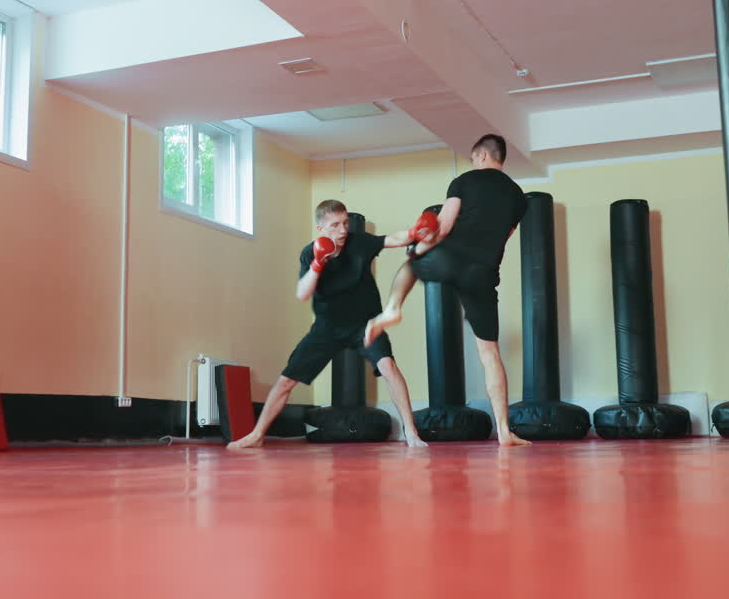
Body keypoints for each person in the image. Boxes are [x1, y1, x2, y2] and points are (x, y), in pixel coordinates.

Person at [227, 200, 439, 449]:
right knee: (286, 380)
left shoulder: (359, 242)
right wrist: (318, 263)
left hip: (364, 324)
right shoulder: (309, 252)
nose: (342, 230)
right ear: (321, 228)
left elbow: (393, 239)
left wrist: (415, 232)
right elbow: (302, 293)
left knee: (389, 367)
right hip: (328, 327)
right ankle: (257, 434)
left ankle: (411, 433)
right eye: (335, 225)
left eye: (345, 223)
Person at [364, 134, 531, 447]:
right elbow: (504, 240)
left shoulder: (465, 180)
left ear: (481, 155)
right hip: (483, 273)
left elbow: (444, 225)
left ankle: (393, 308)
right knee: (490, 353)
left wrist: (418, 246)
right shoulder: (519, 198)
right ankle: (505, 432)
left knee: (412, 262)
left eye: (473, 157)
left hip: (451, 258)